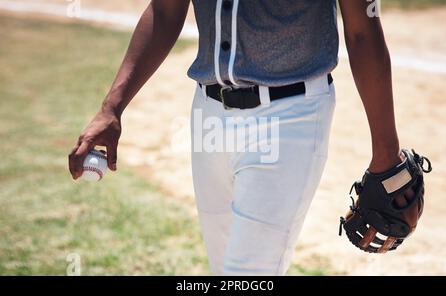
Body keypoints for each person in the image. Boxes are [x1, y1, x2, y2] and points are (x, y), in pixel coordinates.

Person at [69, 0, 412, 275]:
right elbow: (165, 9)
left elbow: (362, 30)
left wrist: (386, 152)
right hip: (208, 114)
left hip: (290, 116)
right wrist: (112, 106)